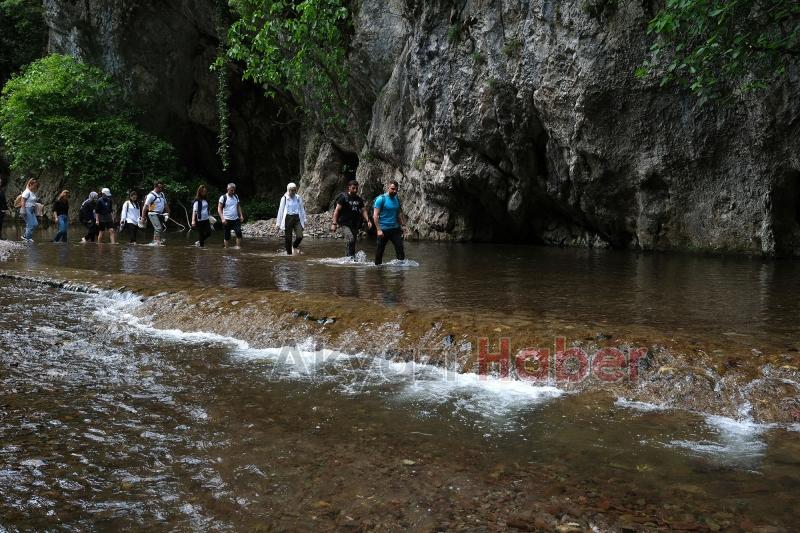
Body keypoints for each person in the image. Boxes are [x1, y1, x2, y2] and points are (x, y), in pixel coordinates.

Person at [331, 180, 372, 258]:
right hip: (344, 223)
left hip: (354, 223)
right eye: (353, 188)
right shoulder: (343, 198)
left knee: (353, 243)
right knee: (351, 239)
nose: (355, 190)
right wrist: (334, 224)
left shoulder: (359, 199)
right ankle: (348, 258)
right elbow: (337, 210)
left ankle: (350, 258)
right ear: (349, 188)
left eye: (357, 188)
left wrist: (368, 220)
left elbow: (363, 210)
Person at [373, 180, 407, 265]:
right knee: (379, 252)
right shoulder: (381, 199)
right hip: (383, 230)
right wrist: (378, 230)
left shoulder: (396, 199)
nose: (394, 191)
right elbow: (375, 216)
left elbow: (399, 213)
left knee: (400, 249)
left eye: (396, 189)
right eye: (392, 189)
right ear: (388, 187)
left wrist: (403, 225)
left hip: (395, 229)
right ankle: (377, 270)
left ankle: (400, 269)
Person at [276, 182, 306, 255]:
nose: (293, 192)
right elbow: (281, 211)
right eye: (291, 190)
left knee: (300, 236)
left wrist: (304, 219)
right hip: (288, 218)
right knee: (288, 238)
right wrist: (278, 223)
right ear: (288, 190)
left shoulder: (298, 198)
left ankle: (294, 246)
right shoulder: (284, 198)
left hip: (297, 218)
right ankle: (289, 255)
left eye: (294, 190)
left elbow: (302, 209)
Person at [141, 181, 170, 245]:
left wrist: (168, 212)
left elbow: (165, 204)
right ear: (155, 187)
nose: (161, 189)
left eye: (161, 187)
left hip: (160, 214)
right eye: (159, 187)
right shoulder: (151, 195)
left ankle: (154, 242)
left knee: (159, 228)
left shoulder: (162, 194)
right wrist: (143, 217)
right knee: (158, 228)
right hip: (152, 214)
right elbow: (145, 207)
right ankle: (158, 242)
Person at [217, 182, 245, 249]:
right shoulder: (223, 197)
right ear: (227, 189)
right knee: (227, 235)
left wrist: (241, 215)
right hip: (226, 219)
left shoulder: (236, 196)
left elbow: (238, 206)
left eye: (234, 190)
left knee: (239, 233)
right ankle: (226, 249)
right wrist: (222, 219)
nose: (233, 192)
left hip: (235, 219)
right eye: (231, 190)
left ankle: (238, 248)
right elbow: (219, 209)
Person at [18, 178, 39, 242]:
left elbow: (32, 201)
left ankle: (26, 236)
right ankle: (27, 238)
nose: (36, 187)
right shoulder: (27, 191)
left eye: (36, 186)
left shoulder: (31, 192)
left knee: (35, 224)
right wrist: (23, 210)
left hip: (32, 210)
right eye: (35, 185)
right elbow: (23, 201)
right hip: (27, 209)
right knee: (30, 224)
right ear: (30, 184)